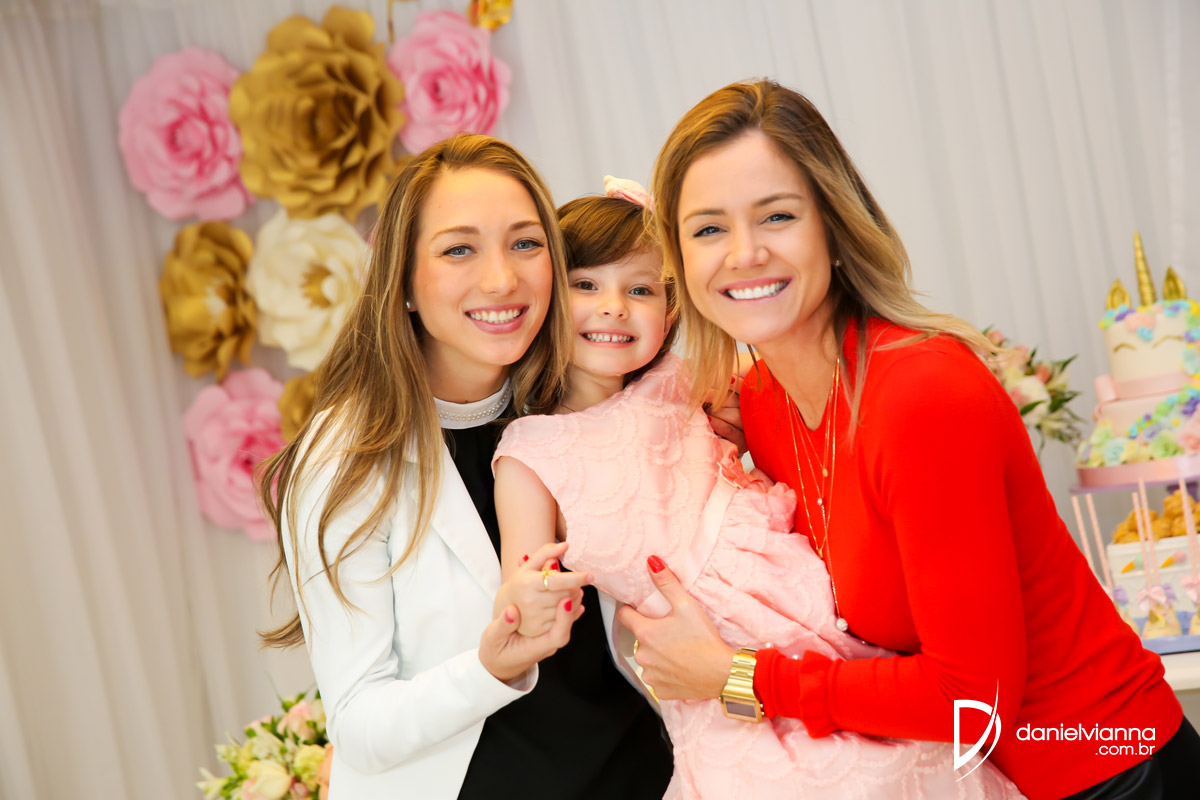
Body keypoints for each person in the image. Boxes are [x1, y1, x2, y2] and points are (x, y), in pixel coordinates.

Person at [613, 78, 1200, 800]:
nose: (744, 253)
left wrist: (738, 677)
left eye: (777, 216)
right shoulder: (761, 403)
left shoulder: (921, 394)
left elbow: (972, 701)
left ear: (833, 225)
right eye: (708, 229)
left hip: (1114, 769)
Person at [493, 188, 1019, 798]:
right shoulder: (530, 452)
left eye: (641, 290)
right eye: (586, 286)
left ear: (671, 311)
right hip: (701, 663)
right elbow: (526, 584)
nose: (614, 307)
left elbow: (822, 391)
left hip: (809, 607)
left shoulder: (687, 381)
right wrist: (534, 600)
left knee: (899, 758)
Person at [259, 134, 672, 799]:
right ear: (404, 282)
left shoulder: (582, 394)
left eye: (525, 243)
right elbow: (359, 725)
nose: (501, 279)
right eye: (459, 249)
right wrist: (489, 667)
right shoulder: (348, 458)